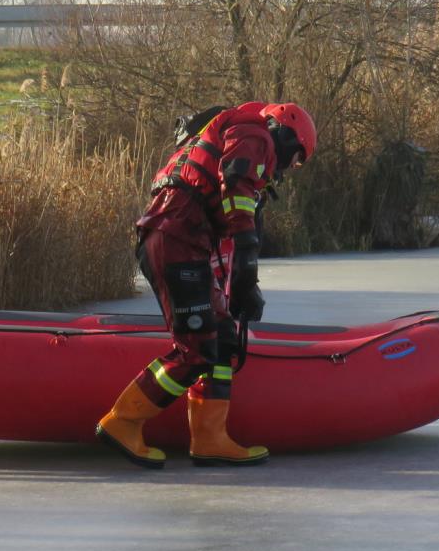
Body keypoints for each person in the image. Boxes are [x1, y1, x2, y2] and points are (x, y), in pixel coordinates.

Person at [95, 100, 317, 468]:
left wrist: (246, 283)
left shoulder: (241, 133)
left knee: (224, 340)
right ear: (285, 135)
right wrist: (247, 258)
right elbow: (237, 183)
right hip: (175, 241)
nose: (288, 168)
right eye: (294, 157)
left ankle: (210, 437)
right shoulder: (255, 134)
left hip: (183, 242)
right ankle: (123, 422)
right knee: (195, 350)